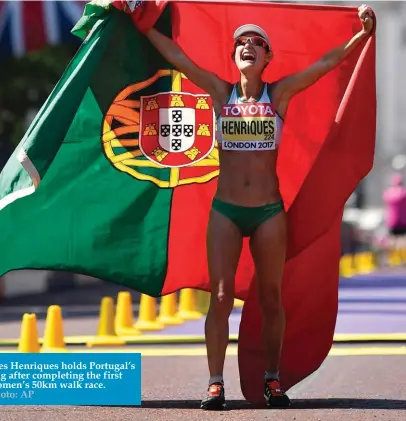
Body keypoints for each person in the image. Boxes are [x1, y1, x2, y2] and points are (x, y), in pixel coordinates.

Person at [144, 4, 375, 409]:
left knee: (271, 297)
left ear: (268, 58)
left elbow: (324, 63)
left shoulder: (279, 93)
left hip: (268, 212)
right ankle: (215, 383)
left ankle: (272, 379)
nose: (248, 46)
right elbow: (176, 56)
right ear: (234, 57)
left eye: (258, 43)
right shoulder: (220, 92)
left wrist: (361, 35)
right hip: (226, 211)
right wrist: (138, 23)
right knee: (219, 297)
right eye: (241, 43)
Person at [383, 173, 406, 249]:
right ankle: (402, 258)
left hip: (391, 222)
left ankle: (392, 258)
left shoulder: (387, 193)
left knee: (392, 241)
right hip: (402, 222)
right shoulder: (403, 193)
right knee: (402, 241)